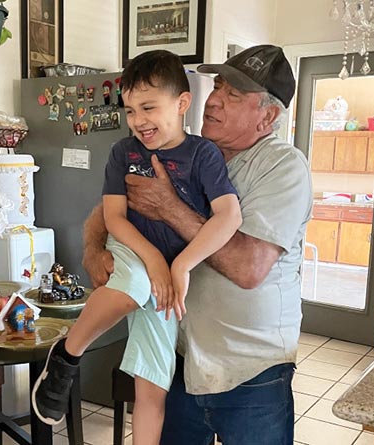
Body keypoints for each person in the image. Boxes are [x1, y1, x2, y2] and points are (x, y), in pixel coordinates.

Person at [82, 45, 313, 445]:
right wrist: (93, 248)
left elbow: (248, 267)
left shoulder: (282, 167)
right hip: (181, 358)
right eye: (218, 87)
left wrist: (171, 208)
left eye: (234, 95)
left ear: (269, 116)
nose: (215, 100)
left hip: (250, 373)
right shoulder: (181, 150)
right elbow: (107, 210)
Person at [32, 50, 242, 443]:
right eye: (129, 111)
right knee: (136, 286)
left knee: (153, 383)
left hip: (169, 271)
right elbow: (113, 218)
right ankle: (66, 355)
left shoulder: (202, 154)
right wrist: (153, 261)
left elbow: (229, 217)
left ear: (182, 103)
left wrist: (180, 266)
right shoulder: (122, 152)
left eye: (148, 107)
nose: (138, 121)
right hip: (131, 248)